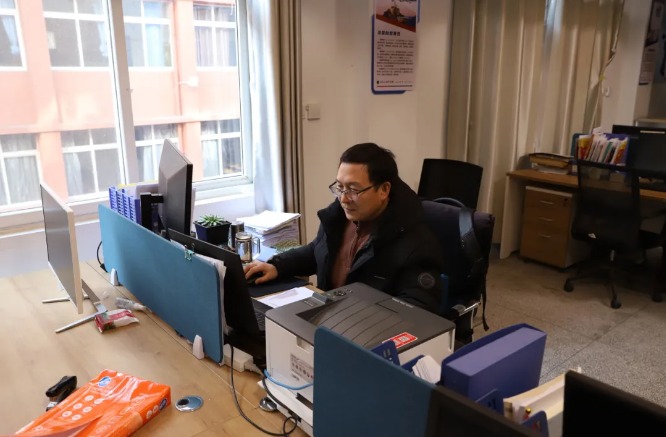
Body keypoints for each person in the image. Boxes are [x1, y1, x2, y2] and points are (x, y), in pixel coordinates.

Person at [243, 142, 445, 313]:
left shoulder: (417, 243)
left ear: (384, 190)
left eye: (353, 190)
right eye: (340, 187)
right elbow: (317, 251)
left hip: (366, 333)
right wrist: (278, 266)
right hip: (326, 317)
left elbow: (418, 308)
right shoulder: (340, 217)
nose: (344, 199)